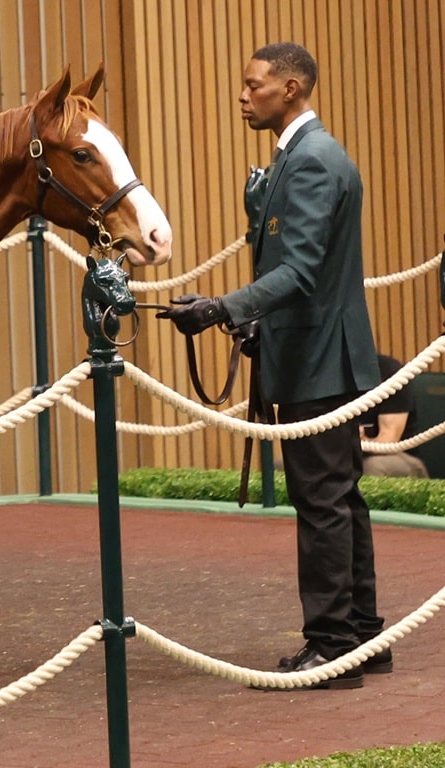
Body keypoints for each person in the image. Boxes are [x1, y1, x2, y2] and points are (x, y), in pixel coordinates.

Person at [159, 42, 390, 689]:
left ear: (291, 88)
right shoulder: (300, 158)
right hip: (321, 355)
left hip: (320, 361)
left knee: (321, 502)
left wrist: (220, 308)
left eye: (253, 84)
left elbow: (301, 269)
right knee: (340, 500)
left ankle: (333, 643)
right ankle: (363, 636)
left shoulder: (312, 161)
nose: (242, 94)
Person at [362, 354, 430, 478]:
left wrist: (353, 441)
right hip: (346, 456)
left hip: (398, 457)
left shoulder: (390, 372)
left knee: (372, 466)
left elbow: (388, 441)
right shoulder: (326, 377)